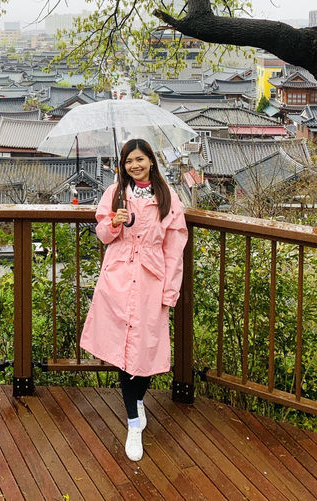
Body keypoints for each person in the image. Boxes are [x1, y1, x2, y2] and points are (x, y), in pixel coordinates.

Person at [80, 138, 188, 462]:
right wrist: (113, 223)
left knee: (146, 348)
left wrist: (170, 292)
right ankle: (133, 423)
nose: (134, 166)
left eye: (139, 159)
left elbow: (174, 247)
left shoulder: (167, 197)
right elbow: (102, 232)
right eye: (129, 161)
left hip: (151, 281)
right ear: (123, 165)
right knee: (124, 352)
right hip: (118, 277)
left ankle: (138, 402)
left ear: (151, 161)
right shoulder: (115, 193)